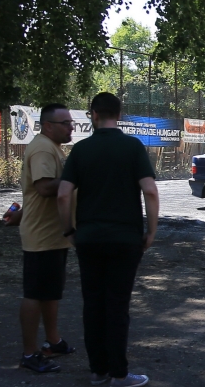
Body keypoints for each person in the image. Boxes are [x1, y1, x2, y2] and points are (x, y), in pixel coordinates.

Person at [57, 92, 159, 387]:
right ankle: (119, 373)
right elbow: (150, 191)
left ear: (93, 114)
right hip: (125, 239)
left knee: (93, 304)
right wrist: (150, 230)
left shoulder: (81, 150)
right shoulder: (132, 147)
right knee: (117, 305)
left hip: (88, 238)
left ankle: (98, 371)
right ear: (120, 114)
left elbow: (63, 194)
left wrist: (69, 231)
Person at [4, 103, 76, 373]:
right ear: (48, 126)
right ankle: (30, 352)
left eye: (71, 122)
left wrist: (19, 215)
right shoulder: (43, 148)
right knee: (35, 293)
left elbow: (32, 195)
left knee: (50, 292)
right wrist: (78, 175)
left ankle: (53, 341)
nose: (71, 127)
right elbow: (45, 188)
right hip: (42, 236)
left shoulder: (51, 147)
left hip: (51, 234)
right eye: (65, 123)